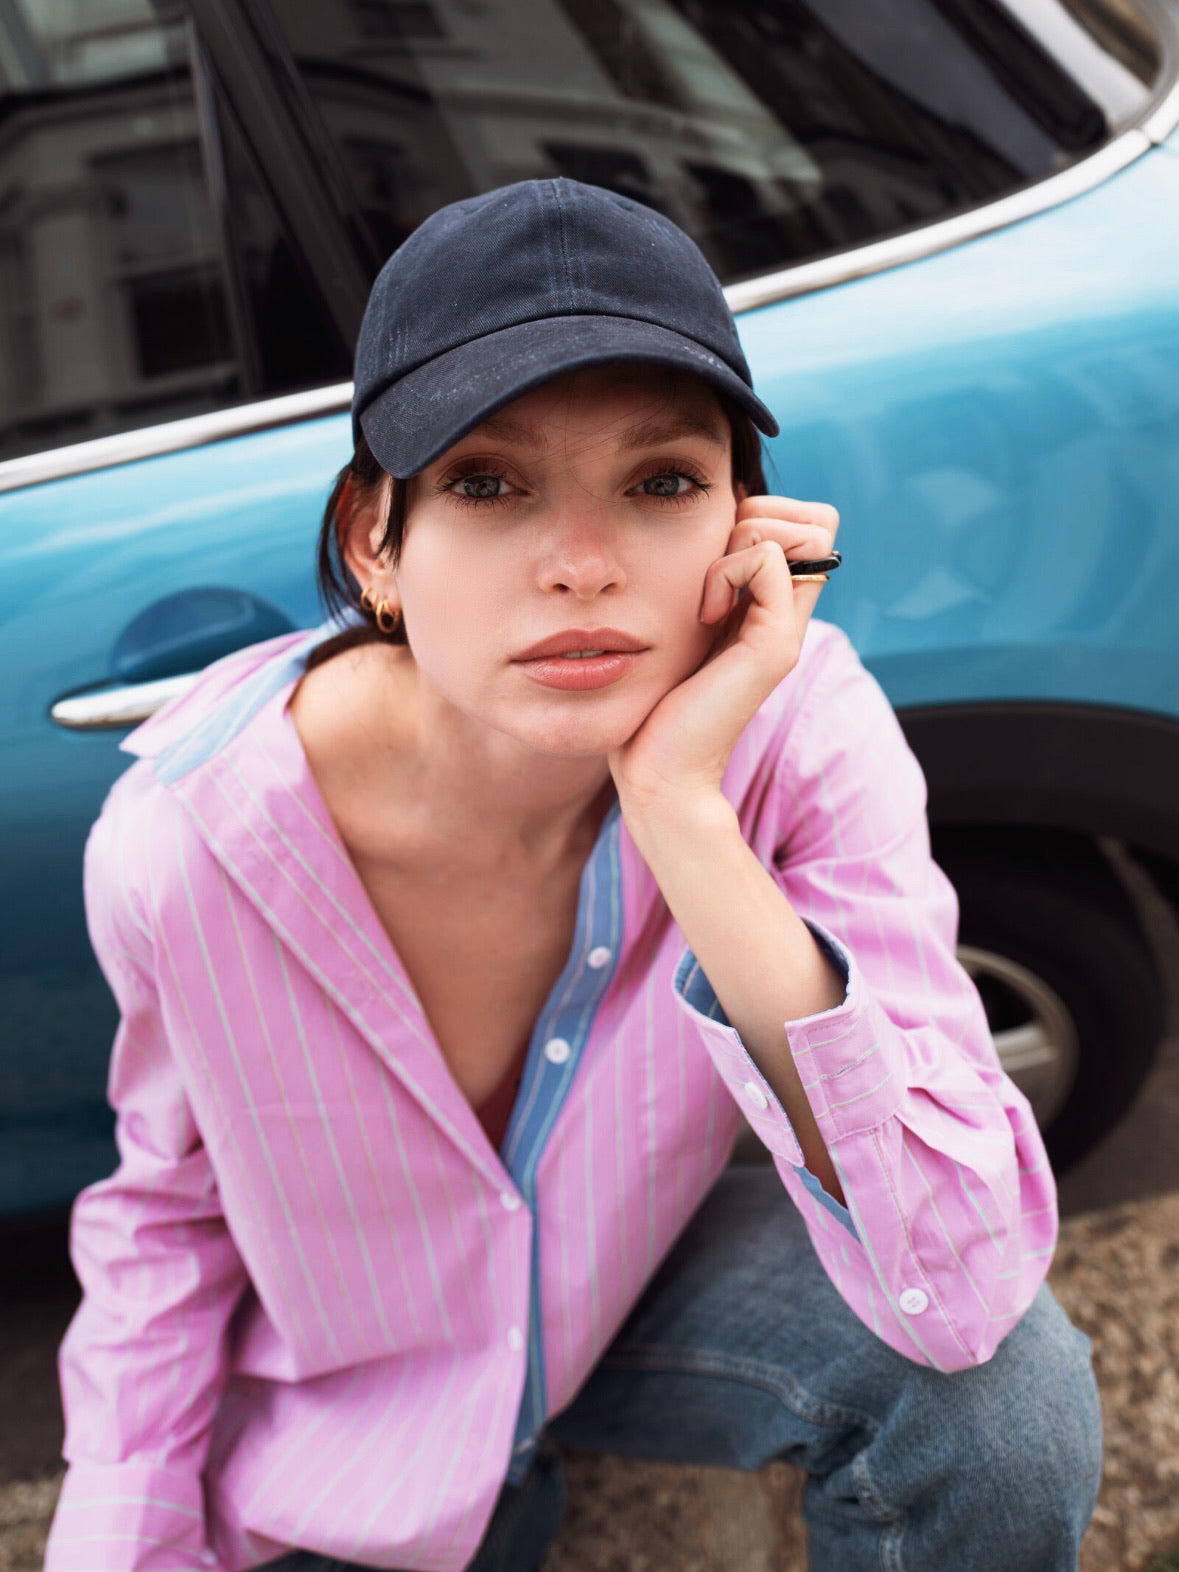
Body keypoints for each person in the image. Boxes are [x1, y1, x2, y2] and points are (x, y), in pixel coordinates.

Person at [45, 179, 1101, 1572]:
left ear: (745, 529)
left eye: (661, 482)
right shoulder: (187, 846)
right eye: (489, 483)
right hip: (368, 1411)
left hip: (631, 1299)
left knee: (1006, 1402)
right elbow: (166, 1219)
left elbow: (958, 1285)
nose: (584, 566)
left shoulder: (803, 733)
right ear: (377, 541)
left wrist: (678, 806)